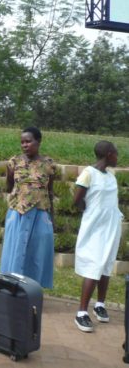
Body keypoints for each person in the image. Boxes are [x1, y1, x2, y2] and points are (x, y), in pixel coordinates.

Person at [73, 141, 122, 333]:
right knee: (94, 266)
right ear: (109, 154)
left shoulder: (111, 176)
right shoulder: (88, 173)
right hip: (95, 228)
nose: (118, 158)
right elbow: (76, 200)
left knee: (106, 266)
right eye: (116, 154)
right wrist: (92, 213)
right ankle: (81, 313)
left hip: (111, 227)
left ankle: (100, 304)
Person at [0, 127, 56, 289]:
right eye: (22, 142)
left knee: (36, 251)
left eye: (29, 141)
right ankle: (11, 286)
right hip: (18, 213)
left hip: (40, 214)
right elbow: (10, 185)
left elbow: (49, 191)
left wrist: (53, 217)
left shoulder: (49, 164)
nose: (25, 145)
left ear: (39, 141)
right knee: (14, 249)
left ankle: (32, 288)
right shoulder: (14, 162)